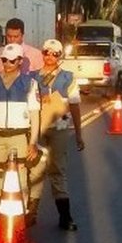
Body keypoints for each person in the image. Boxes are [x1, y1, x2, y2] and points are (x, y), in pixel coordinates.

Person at [0, 43, 40, 239]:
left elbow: (35, 114)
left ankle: (18, 220)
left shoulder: (30, 83)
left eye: (12, 60)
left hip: (19, 137)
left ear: (20, 61)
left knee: (20, 180)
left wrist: (33, 142)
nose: (7, 64)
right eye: (4, 60)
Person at [27, 39, 84, 231]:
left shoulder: (68, 77)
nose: (50, 57)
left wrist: (78, 134)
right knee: (34, 171)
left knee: (58, 170)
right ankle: (30, 213)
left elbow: (75, 106)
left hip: (59, 129)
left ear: (60, 56)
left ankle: (65, 217)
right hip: (37, 130)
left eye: (55, 54)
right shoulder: (32, 77)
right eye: (46, 52)